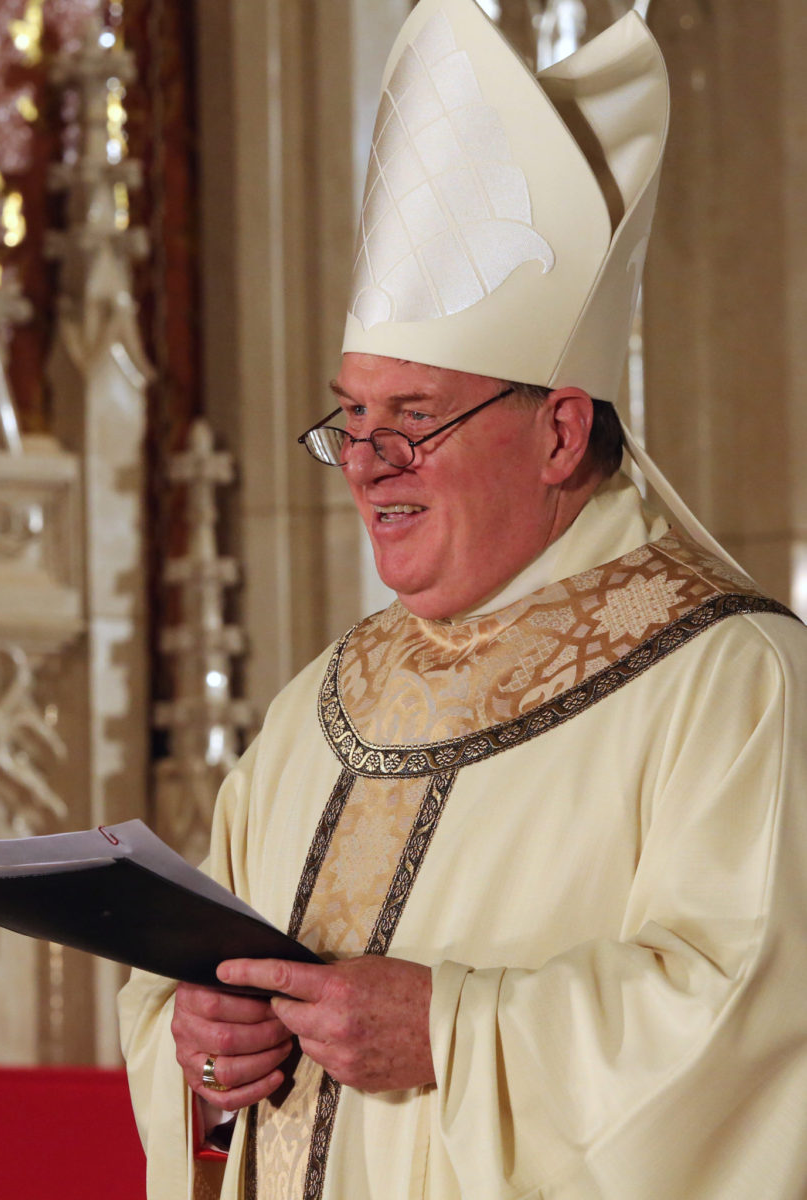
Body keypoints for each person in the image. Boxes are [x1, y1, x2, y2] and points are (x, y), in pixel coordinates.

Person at [119, 2, 807, 1197]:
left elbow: (754, 1025)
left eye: (416, 420)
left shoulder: (730, 681)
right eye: (353, 420)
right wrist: (198, 1039)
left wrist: (451, 1030)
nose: (372, 463)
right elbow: (201, 981)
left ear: (558, 432)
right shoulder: (322, 703)